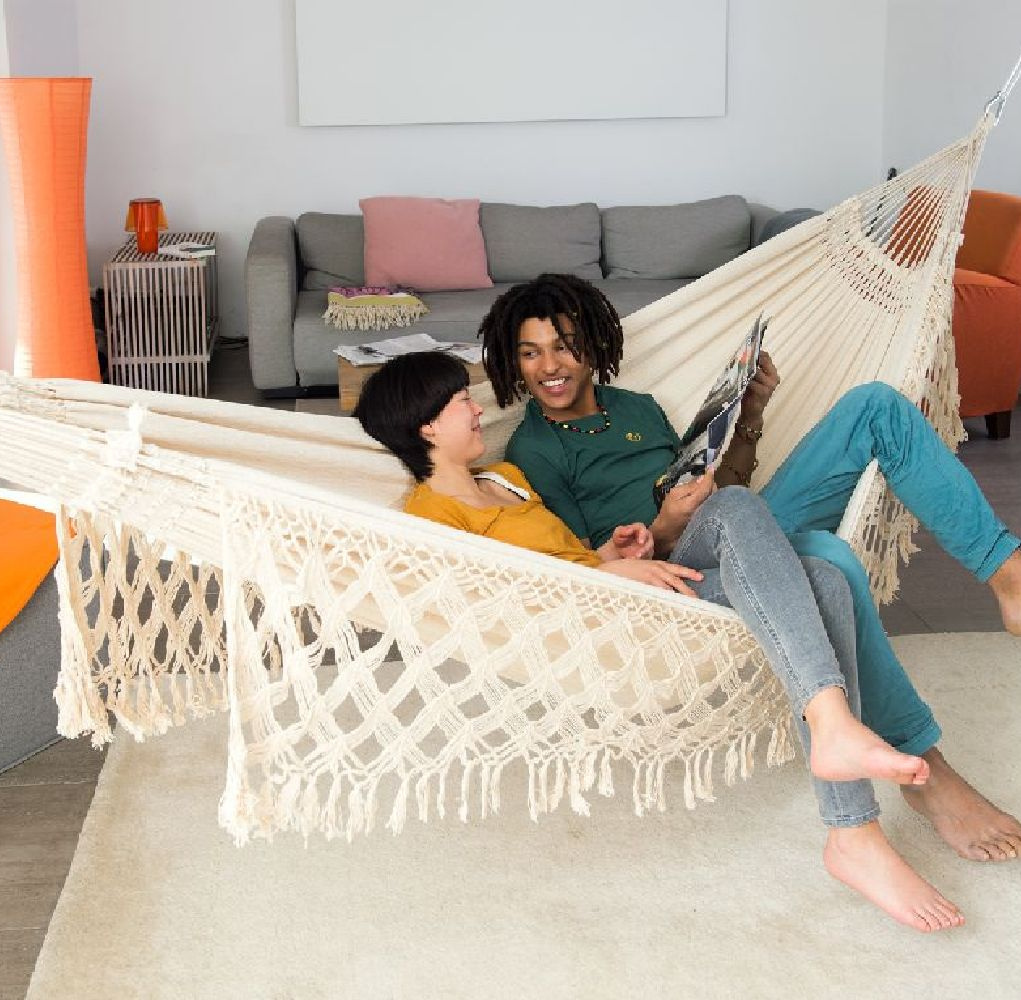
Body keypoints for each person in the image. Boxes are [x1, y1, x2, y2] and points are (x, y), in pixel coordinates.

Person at [356, 350, 965, 933]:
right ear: (427, 425)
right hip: (598, 623)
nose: (477, 410)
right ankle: (847, 797)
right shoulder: (431, 517)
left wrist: (614, 553)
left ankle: (849, 812)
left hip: (620, 588)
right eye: (461, 402)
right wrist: (605, 579)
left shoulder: (504, 479)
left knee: (807, 566)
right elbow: (502, 603)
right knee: (774, 541)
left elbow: (563, 555)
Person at [479, 272, 1021, 869]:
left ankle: (1013, 578)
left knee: (875, 406)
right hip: (672, 577)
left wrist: (750, 414)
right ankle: (925, 776)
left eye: (563, 346)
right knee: (827, 560)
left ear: (593, 346)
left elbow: (728, 487)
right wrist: (666, 527)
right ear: (512, 363)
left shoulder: (638, 409)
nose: (549, 366)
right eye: (530, 353)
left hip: (739, 531)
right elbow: (582, 567)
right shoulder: (535, 450)